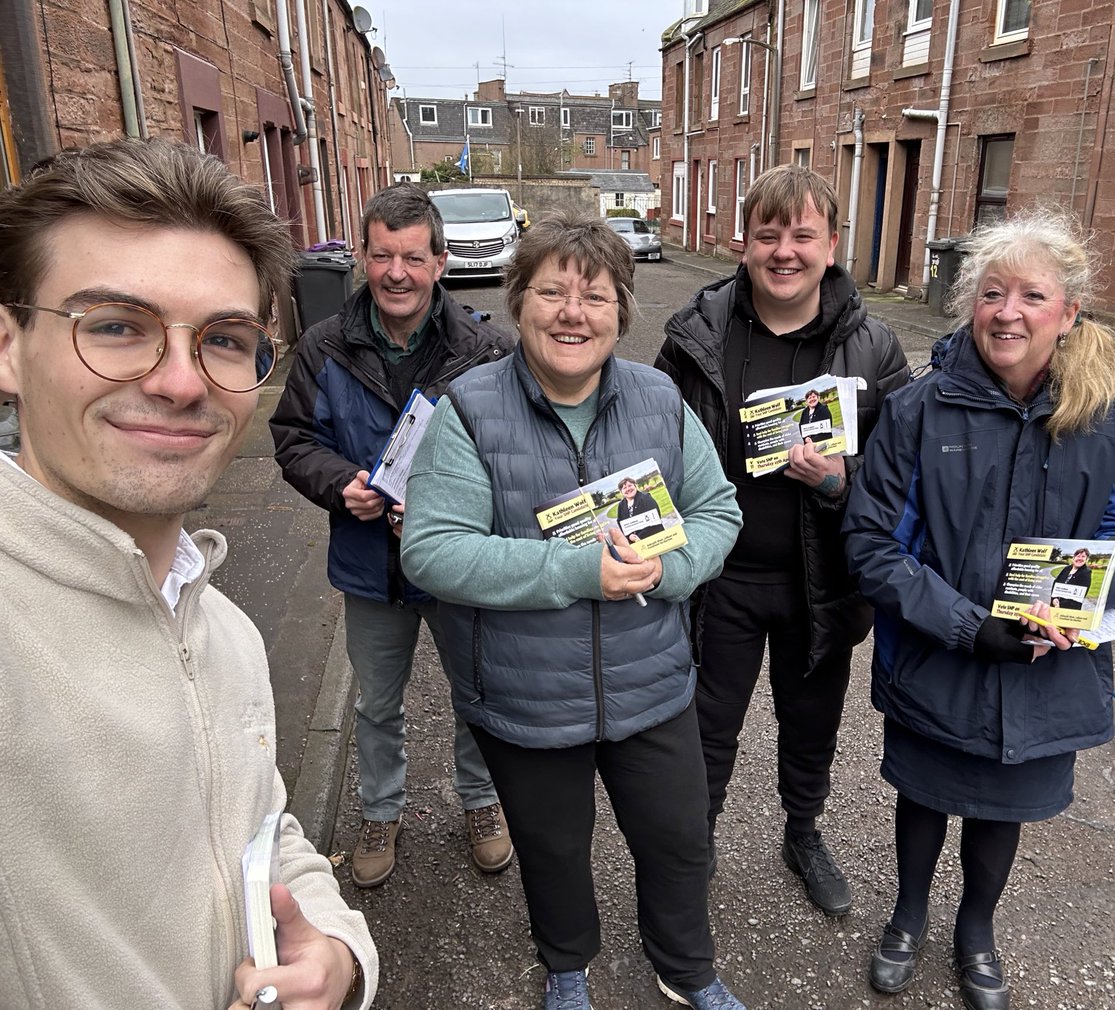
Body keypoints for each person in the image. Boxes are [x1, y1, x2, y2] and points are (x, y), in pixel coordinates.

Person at [0, 139, 377, 1008]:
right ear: (10, 348)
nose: (179, 380)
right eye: (117, 327)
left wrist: (339, 954)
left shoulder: (224, 628)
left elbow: (260, 831)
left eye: (224, 339)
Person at [400, 210, 745, 1010]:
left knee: (677, 839)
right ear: (517, 304)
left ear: (621, 311)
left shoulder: (659, 398)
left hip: (651, 681)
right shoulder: (469, 410)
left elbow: (719, 510)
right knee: (553, 849)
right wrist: (576, 570)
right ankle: (566, 965)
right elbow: (433, 549)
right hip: (526, 692)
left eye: (593, 296)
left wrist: (671, 567)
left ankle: (686, 968)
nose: (571, 312)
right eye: (550, 292)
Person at [843, 212, 1115, 1010]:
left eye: (1032, 294)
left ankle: (975, 930)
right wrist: (965, 624)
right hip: (938, 651)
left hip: (1047, 661)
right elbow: (874, 542)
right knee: (924, 790)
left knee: (1002, 803)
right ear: (970, 306)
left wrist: (1083, 605)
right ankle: (908, 918)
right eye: (991, 293)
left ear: (1070, 310)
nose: (1008, 311)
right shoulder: (921, 408)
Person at [655, 164, 908, 916]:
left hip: (819, 578)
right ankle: (691, 852)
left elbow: (903, 484)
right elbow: (650, 443)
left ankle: (803, 833)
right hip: (720, 579)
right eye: (769, 234)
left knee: (811, 722)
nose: (784, 251)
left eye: (803, 235)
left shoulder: (875, 349)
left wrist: (840, 480)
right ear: (745, 242)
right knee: (706, 731)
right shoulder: (696, 334)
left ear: (831, 244)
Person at [271, 182, 515, 887]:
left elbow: (515, 455)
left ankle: (481, 799)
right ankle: (381, 810)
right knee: (377, 701)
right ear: (364, 261)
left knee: (479, 693)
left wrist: (457, 510)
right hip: (369, 561)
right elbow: (290, 438)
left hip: (459, 563)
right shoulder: (323, 347)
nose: (397, 272)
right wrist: (338, 482)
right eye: (382, 256)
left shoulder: (488, 349)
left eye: (412, 256)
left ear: (440, 261)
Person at [616, 474, 666, 541]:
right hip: (634, 542)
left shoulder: (646, 498)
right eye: (624, 488)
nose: (628, 489)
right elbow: (620, 522)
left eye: (630, 485)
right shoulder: (621, 505)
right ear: (621, 492)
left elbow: (655, 518)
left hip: (654, 538)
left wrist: (640, 537)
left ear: (635, 486)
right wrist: (629, 536)